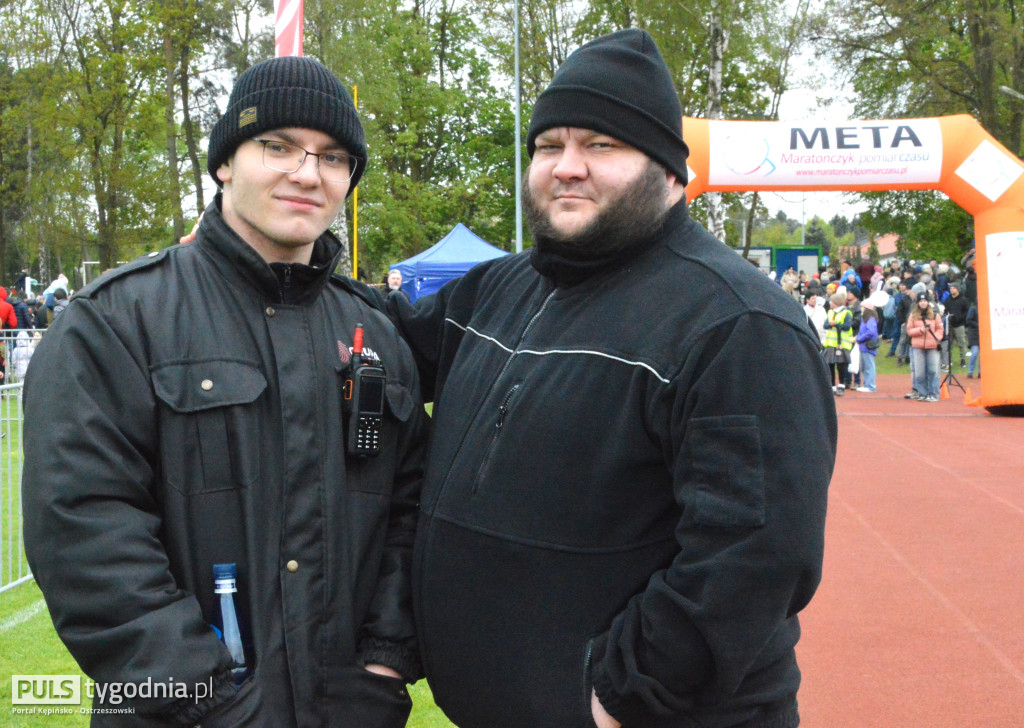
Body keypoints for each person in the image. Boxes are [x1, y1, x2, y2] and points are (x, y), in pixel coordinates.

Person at [387, 29, 835, 728]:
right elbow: (378, 343)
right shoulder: (496, 290)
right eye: (548, 145)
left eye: (601, 145)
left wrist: (618, 698)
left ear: (669, 172)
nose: (566, 167)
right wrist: (273, 259)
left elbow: (755, 555)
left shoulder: (737, 322)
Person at [23, 55, 428, 727]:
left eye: (332, 157)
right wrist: (202, 697)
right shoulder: (117, 322)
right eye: (277, 146)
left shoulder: (377, 336)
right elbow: (84, 528)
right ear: (224, 164)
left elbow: (411, 514)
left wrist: (382, 665)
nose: (306, 173)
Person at [905, 292, 944, 401]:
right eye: (921, 301)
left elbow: (940, 329)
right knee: (919, 372)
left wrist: (936, 338)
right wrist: (920, 330)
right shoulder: (913, 316)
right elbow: (909, 331)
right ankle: (922, 393)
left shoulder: (935, 315)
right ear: (918, 303)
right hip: (918, 346)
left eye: (925, 301)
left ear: (928, 302)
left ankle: (933, 393)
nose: (923, 303)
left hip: (932, 346)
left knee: (933, 370)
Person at [823, 290, 855, 396]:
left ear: (836, 302)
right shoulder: (830, 312)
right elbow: (825, 325)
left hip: (842, 343)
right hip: (831, 343)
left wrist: (835, 324)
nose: (830, 303)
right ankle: (832, 386)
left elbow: (847, 326)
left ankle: (841, 385)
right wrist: (830, 324)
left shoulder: (846, 313)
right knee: (830, 365)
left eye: (831, 301)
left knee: (841, 366)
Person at [855, 302, 880, 392]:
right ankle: (867, 384)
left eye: (862, 307)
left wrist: (859, 338)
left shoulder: (870, 319)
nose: (861, 308)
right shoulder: (865, 318)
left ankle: (870, 386)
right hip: (864, 345)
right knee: (865, 366)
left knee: (869, 366)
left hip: (867, 345)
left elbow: (870, 332)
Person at [944, 281, 970, 367]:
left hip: (960, 325)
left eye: (953, 288)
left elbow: (966, 312)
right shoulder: (948, 300)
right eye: (951, 288)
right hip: (950, 324)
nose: (951, 290)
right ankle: (949, 359)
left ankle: (963, 360)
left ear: (958, 289)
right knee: (949, 343)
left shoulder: (963, 300)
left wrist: (961, 319)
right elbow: (945, 311)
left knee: (961, 343)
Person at [966, 303, 980, 378]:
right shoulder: (973, 309)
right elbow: (968, 321)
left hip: (984, 335)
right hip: (974, 335)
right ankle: (970, 371)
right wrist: (979, 325)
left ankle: (981, 372)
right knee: (974, 353)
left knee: (983, 356)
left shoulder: (986, 309)